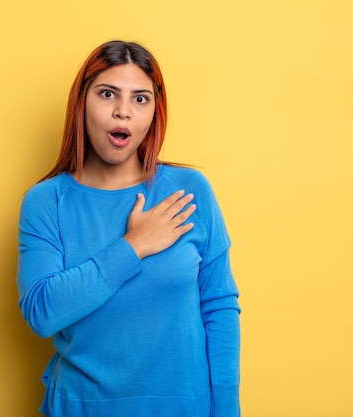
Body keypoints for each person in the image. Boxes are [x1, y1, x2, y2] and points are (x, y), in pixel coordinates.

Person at [16, 40, 241, 417]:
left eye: (140, 99)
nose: (123, 113)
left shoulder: (189, 191)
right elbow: (42, 312)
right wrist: (133, 245)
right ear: (81, 102)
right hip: (81, 408)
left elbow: (218, 307)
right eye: (108, 94)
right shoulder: (46, 202)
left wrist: (227, 410)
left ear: (155, 111)